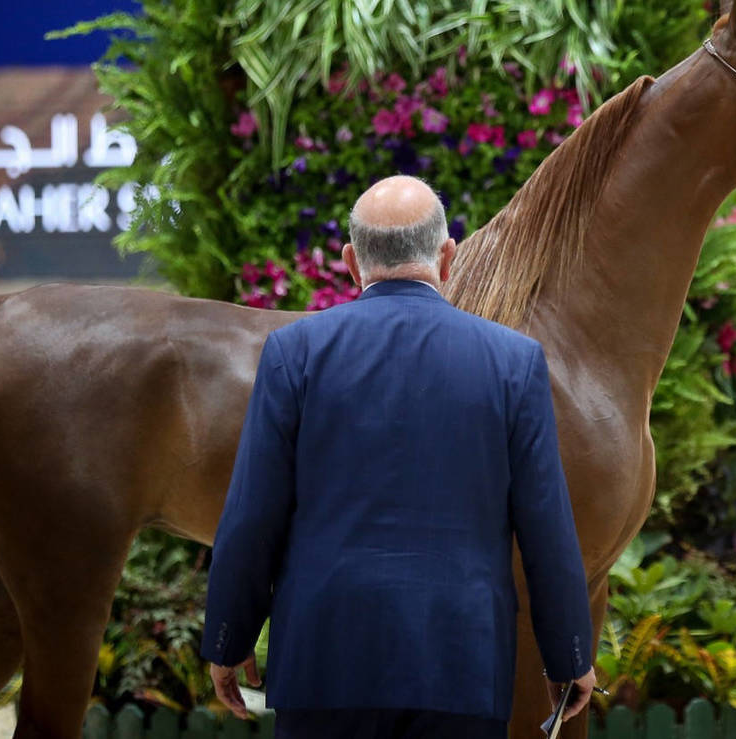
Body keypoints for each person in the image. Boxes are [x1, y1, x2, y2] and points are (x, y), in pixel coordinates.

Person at [202, 176, 595, 737]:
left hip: (322, 668)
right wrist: (569, 654)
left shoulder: (294, 353)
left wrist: (228, 638)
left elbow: (251, 516)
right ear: (447, 256)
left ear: (351, 263)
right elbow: (547, 529)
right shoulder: (515, 363)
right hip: (462, 668)